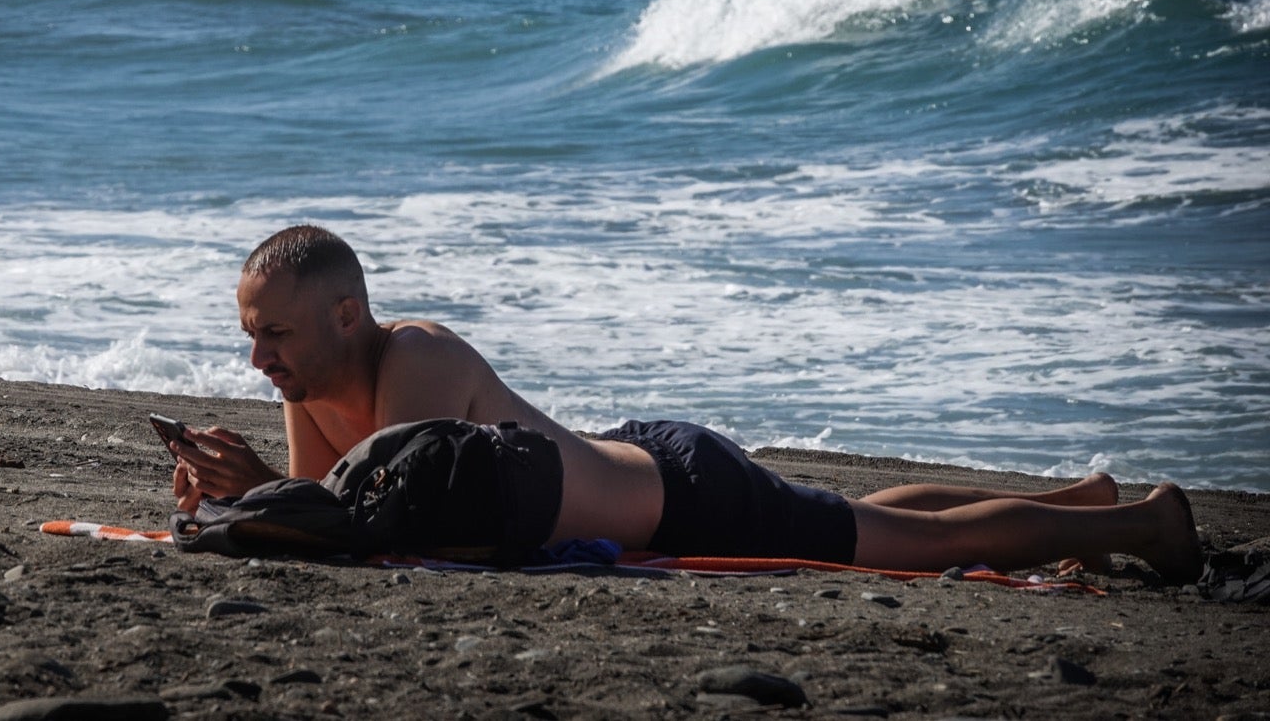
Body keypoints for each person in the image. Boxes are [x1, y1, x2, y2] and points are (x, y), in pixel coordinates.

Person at [169, 225, 1203, 583]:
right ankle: (1078, 498)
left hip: (682, 495)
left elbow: (366, 520)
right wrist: (246, 487)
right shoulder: (322, 383)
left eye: (275, 333)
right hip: (625, 465)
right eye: (252, 333)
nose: (258, 355)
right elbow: (323, 508)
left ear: (347, 312)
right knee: (862, 518)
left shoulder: (418, 359)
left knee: (896, 544)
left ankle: (1140, 520)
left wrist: (266, 492)